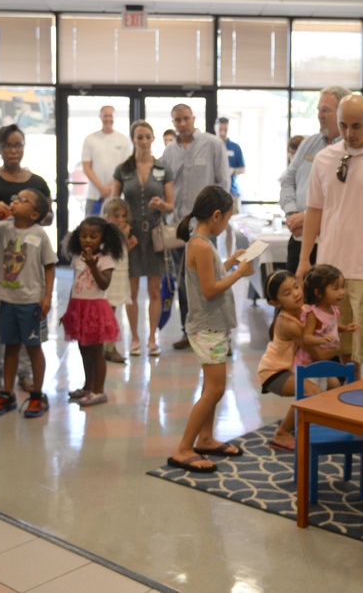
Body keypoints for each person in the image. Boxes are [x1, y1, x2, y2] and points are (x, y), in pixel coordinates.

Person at [297, 93, 363, 377]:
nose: (349, 133)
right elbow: (314, 210)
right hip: (331, 268)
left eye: (356, 126)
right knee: (340, 345)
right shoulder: (324, 158)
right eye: (343, 125)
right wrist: (305, 260)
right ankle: (345, 401)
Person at [165, 186, 253, 473]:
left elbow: (208, 274)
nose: (226, 224)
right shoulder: (201, 245)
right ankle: (183, 448)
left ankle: (205, 438)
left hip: (211, 326)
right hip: (207, 328)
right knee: (215, 389)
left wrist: (229, 263)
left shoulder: (200, 241)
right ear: (216, 215)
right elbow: (210, 288)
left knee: (210, 387)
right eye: (227, 218)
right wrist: (239, 274)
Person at [0, 124, 53, 394]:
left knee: (26, 310)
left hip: (27, 260)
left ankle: (23, 371)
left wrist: (29, 214)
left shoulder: (37, 182)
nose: (13, 150)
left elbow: (48, 216)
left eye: (17, 144)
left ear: (24, 146)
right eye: (7, 145)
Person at [0, 189, 56, 419]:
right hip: (8, 300)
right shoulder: (3, 228)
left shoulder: (39, 234)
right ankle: (7, 394)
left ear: (34, 214)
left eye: (23, 200)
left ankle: (37, 394)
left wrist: (47, 296)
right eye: (15, 198)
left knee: (34, 348)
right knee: (10, 348)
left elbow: (50, 266)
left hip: (31, 302)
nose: (15, 201)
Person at [160, 104, 231, 350]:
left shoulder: (213, 144)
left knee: (212, 278)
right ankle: (188, 331)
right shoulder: (169, 151)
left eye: (185, 119)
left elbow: (223, 182)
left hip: (206, 227)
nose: (182, 124)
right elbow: (165, 185)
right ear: (173, 122)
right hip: (178, 227)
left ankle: (220, 332)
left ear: (194, 118)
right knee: (183, 281)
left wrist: (220, 217)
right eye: (177, 120)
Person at [112, 120, 175, 357]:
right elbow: (113, 204)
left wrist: (161, 205)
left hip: (155, 235)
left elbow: (171, 205)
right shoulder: (123, 169)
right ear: (133, 140)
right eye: (140, 137)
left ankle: (152, 339)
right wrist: (121, 226)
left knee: (155, 290)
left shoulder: (162, 169)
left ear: (153, 139)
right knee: (132, 290)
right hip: (131, 237)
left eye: (148, 137)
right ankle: (135, 339)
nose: (144, 141)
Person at [257, 270, 337, 453]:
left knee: (333, 385)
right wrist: (341, 347)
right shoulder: (288, 324)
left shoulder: (305, 309)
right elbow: (317, 353)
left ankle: (299, 422)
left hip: (291, 368)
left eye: (296, 286)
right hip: (274, 373)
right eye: (287, 293)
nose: (296, 294)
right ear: (275, 303)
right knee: (312, 391)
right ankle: (282, 433)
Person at [278, 86, 350, 274]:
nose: (319, 115)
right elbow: (287, 180)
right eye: (318, 110)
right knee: (295, 291)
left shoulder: (351, 149)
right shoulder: (309, 143)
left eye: (325, 110)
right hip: (299, 239)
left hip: (332, 243)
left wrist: (309, 218)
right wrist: (292, 213)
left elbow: (348, 200)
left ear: (342, 112)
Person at [61, 217, 125, 407]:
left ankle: (99, 391)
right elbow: (75, 284)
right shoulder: (77, 257)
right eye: (83, 235)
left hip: (96, 309)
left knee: (97, 351)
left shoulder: (106, 259)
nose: (87, 240)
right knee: (84, 349)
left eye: (93, 236)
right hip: (78, 307)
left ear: (103, 238)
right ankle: (88, 386)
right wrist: (68, 310)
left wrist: (93, 266)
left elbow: (104, 284)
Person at [295, 264, 356, 367]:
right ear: (318, 293)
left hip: (327, 356)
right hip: (309, 361)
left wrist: (344, 328)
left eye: (342, 287)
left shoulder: (333, 308)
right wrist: (321, 340)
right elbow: (306, 337)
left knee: (334, 377)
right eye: (336, 288)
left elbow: (329, 327)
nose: (342, 292)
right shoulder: (313, 314)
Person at [102, 198, 135, 363]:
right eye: (117, 216)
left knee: (112, 311)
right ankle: (108, 347)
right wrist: (123, 235)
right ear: (107, 216)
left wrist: (128, 243)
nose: (121, 220)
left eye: (123, 216)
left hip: (120, 273)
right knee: (109, 311)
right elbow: (110, 252)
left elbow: (121, 252)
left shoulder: (119, 232)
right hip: (111, 275)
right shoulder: (107, 233)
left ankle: (109, 346)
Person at [81, 105, 130, 215]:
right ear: (100, 117)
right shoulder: (90, 139)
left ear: (114, 117)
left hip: (116, 194)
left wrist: (112, 187)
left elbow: (126, 167)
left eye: (110, 116)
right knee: (92, 224)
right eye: (105, 116)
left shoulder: (123, 140)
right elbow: (86, 167)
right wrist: (101, 188)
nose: (108, 119)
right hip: (94, 195)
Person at [215, 116, 245, 258]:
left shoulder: (235, 147)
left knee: (230, 227)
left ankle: (229, 257)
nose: (223, 132)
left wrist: (233, 170)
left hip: (231, 192)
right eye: (220, 129)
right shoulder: (212, 145)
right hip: (215, 193)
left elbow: (243, 168)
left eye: (225, 129)